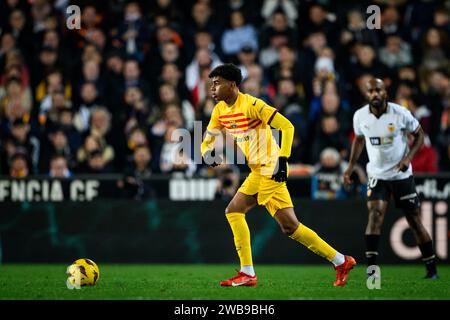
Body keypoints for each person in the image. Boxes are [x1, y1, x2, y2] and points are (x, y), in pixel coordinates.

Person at [201, 63, 355, 287]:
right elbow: (208, 138)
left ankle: (248, 273)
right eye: (211, 85)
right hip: (258, 170)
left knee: (235, 211)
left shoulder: (253, 104)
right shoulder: (219, 111)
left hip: (271, 167)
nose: (212, 89)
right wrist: (207, 152)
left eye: (217, 84)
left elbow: (287, 127)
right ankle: (341, 261)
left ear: (231, 84)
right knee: (289, 226)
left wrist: (283, 159)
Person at [343, 78, 438, 279]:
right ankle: (372, 273)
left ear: (385, 92)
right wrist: (350, 166)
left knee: (414, 220)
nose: (375, 94)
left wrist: (408, 158)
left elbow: (420, 135)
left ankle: (431, 270)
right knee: (375, 216)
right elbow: (359, 140)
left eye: (378, 90)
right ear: (366, 94)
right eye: (371, 91)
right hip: (377, 175)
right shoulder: (360, 116)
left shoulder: (400, 113)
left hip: (401, 175)